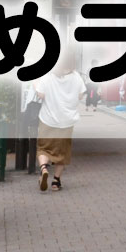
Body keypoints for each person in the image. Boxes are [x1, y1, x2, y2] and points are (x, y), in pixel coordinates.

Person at [33, 54, 85, 192]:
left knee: (43, 148)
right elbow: (81, 96)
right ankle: (56, 182)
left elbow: (41, 95)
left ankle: (44, 169)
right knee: (62, 152)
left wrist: (35, 84)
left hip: (48, 119)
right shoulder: (76, 77)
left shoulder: (48, 76)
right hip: (67, 120)